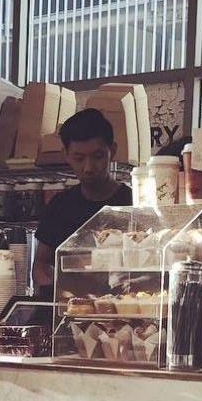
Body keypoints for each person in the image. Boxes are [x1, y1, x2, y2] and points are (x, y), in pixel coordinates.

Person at [33, 108, 133, 292]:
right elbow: (41, 264)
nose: (88, 167)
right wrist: (55, 296)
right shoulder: (60, 207)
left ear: (112, 151)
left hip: (125, 307)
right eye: (79, 158)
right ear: (66, 155)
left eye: (97, 156)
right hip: (71, 309)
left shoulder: (133, 203)